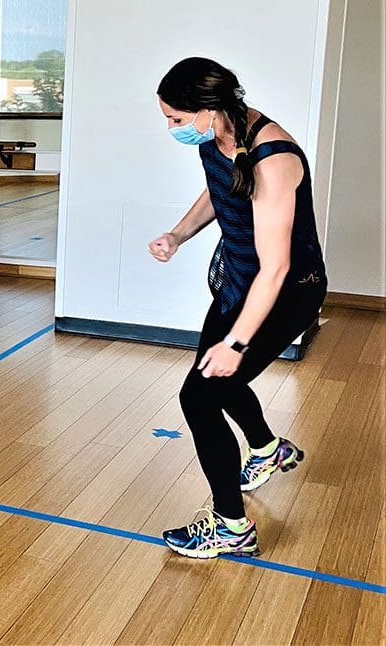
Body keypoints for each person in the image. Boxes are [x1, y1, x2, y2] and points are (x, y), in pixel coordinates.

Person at [149, 57, 326, 559]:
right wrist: (178, 235)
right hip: (238, 282)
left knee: (200, 397)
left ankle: (231, 527)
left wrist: (236, 341)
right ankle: (268, 450)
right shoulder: (216, 135)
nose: (172, 128)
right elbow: (219, 189)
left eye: (176, 119)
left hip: (285, 292)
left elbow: (276, 268)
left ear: (207, 108)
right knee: (215, 381)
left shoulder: (273, 157)